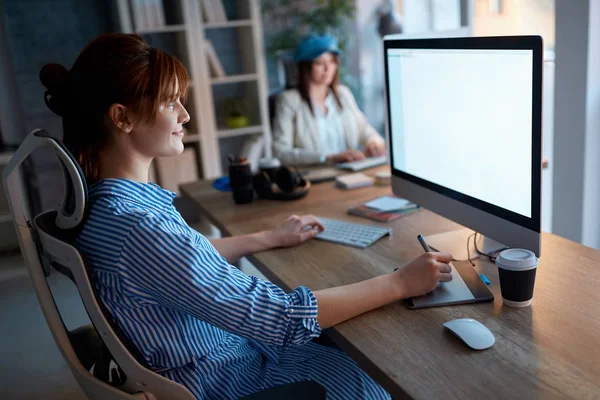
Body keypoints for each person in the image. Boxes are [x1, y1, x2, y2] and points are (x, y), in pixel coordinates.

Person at [40, 33, 452, 400]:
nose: (184, 115)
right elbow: (284, 320)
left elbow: (181, 258)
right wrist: (400, 281)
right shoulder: (140, 227)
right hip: (225, 375)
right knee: (385, 370)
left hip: (213, 352)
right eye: (170, 102)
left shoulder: (106, 205)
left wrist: (267, 238)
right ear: (122, 117)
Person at [272, 34, 386, 166]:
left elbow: (364, 130)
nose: (328, 69)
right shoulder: (289, 100)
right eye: (319, 63)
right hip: (317, 176)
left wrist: (373, 143)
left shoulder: (343, 94)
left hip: (350, 171)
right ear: (305, 67)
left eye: (332, 61)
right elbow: (280, 152)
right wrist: (328, 158)